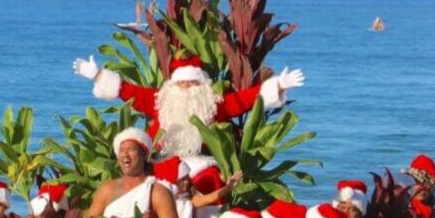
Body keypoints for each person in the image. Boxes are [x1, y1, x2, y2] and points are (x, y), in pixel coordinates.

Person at [72, 54, 304, 158]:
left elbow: (245, 100)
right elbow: (127, 91)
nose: (185, 87)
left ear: (201, 84)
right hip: (162, 160)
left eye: (191, 83)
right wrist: (97, 76)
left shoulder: (214, 105)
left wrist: (279, 85)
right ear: (172, 84)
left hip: (204, 162)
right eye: (181, 82)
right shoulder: (160, 99)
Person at [84, 127, 180, 218]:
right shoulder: (108, 188)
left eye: (131, 149)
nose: (125, 154)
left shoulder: (157, 192)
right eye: (122, 150)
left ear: (144, 154)